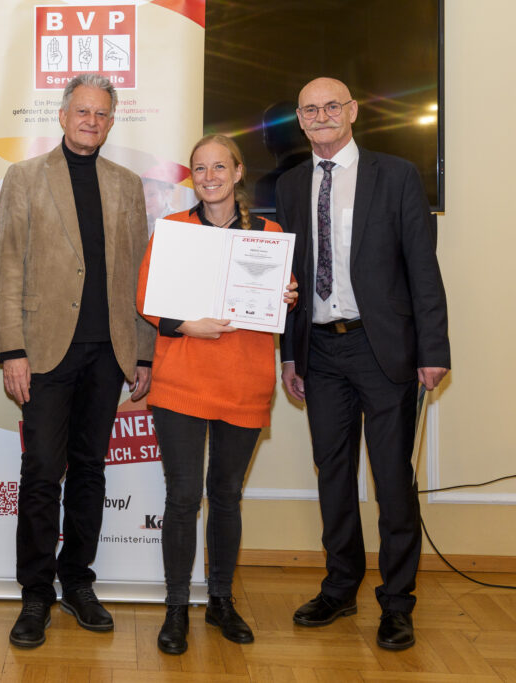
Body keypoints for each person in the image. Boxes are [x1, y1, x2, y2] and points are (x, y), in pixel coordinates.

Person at [277, 77, 450, 650]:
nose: (321, 116)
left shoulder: (395, 174)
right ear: (300, 121)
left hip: (385, 352)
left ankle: (397, 604)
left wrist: (433, 350)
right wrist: (289, 353)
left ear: (352, 111)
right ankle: (340, 587)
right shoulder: (291, 183)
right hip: (320, 351)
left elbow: (423, 269)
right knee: (333, 476)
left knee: (393, 482)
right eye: (310, 110)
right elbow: (289, 278)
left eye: (332, 106)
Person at [0, 73, 156, 648]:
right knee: (41, 471)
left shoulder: (127, 184)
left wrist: (142, 352)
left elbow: (140, 272)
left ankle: (78, 582)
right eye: (82, 111)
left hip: (108, 353)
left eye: (102, 114)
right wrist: (10, 348)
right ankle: (35, 593)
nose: (91, 121)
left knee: (90, 471)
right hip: (43, 352)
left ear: (112, 122)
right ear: (62, 116)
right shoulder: (25, 177)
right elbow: (7, 265)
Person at [136, 135, 298, 655]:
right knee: (183, 499)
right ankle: (177, 606)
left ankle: (222, 601)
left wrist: (286, 296)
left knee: (226, 497)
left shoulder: (268, 234)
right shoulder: (173, 231)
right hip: (181, 383)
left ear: (237, 172)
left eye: (218, 167)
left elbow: (280, 302)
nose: (209, 176)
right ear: (193, 176)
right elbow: (146, 299)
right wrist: (186, 324)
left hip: (244, 385)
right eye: (200, 168)